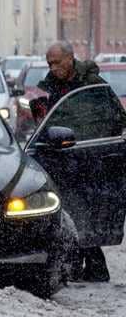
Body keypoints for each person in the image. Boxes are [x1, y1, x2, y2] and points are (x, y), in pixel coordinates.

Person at [30, 41, 110, 283]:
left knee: (83, 212)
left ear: (70, 58)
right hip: (62, 157)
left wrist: (88, 142)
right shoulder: (53, 87)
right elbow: (54, 121)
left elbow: (107, 120)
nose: (53, 68)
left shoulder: (91, 86)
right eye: (49, 64)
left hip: (89, 159)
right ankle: (76, 266)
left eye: (57, 62)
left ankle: (94, 267)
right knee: (69, 212)